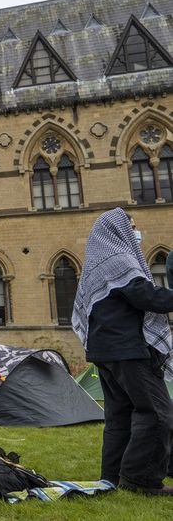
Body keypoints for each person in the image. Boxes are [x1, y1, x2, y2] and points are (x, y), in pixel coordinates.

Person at [72, 208, 173, 495]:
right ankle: (140, 480)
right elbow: (146, 296)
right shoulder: (119, 260)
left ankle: (112, 477)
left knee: (120, 417)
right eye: (131, 226)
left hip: (105, 352)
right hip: (127, 350)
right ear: (117, 230)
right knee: (157, 414)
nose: (135, 231)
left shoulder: (96, 264)